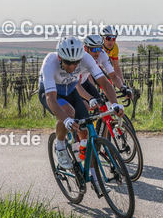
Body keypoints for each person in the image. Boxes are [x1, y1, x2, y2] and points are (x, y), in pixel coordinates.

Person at [39, 37, 122, 171]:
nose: (72, 67)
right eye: (68, 62)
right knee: (68, 112)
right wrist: (65, 119)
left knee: (87, 133)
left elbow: (105, 82)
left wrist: (115, 105)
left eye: (75, 63)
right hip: (52, 92)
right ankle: (60, 146)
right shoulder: (50, 62)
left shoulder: (86, 58)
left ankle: (93, 177)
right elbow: (51, 98)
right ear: (60, 58)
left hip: (71, 90)